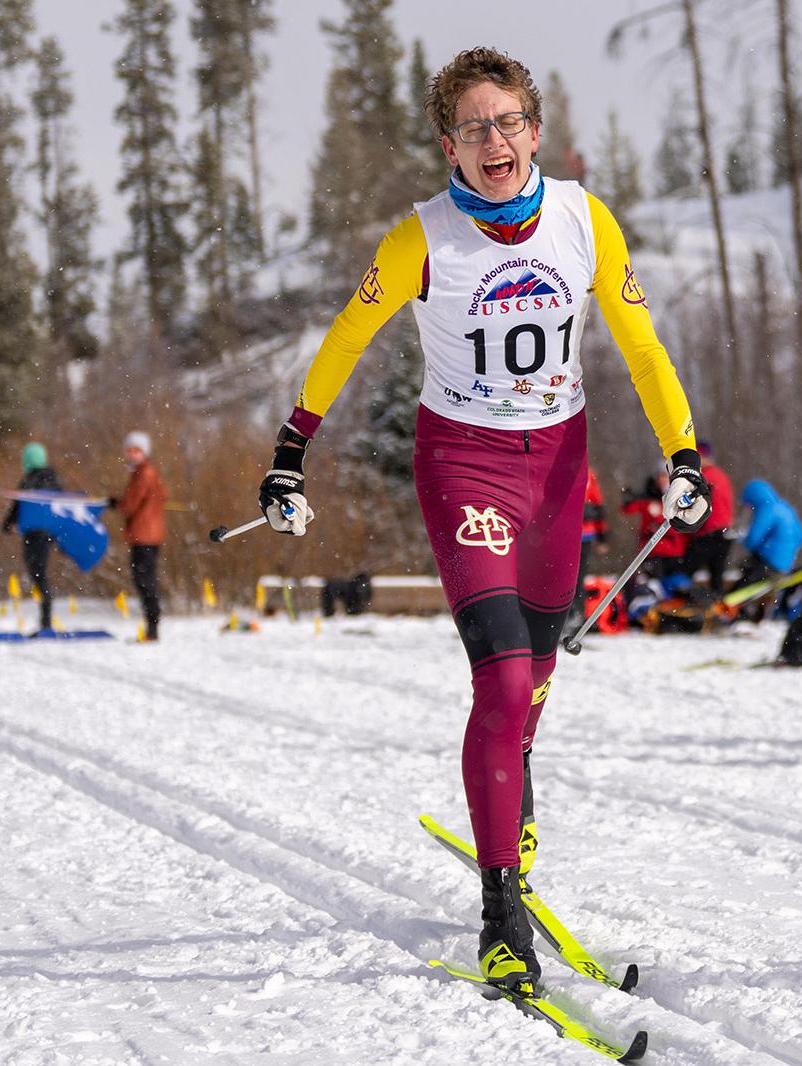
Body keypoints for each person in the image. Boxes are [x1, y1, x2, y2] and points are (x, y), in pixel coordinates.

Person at [253, 46, 710, 990]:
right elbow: (346, 336)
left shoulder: (584, 220)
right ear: (448, 146)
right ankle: (502, 915)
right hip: (464, 464)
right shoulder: (420, 239)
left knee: (537, 673)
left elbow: (641, 343)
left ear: (534, 132)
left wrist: (683, 452)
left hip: (558, 472)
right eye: (472, 128)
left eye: (508, 123)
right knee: (501, 681)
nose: (493, 141)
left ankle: (515, 774)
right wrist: (292, 449)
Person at [110, 431, 167, 642]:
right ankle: (152, 626)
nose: (132, 455)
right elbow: (162, 494)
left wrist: (114, 503)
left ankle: (152, 627)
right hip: (148, 535)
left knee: (144, 580)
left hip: (145, 535)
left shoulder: (144, 473)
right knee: (144, 579)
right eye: (129, 450)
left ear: (144, 452)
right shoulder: (146, 472)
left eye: (136, 450)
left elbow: (130, 504)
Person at [2, 442, 63, 633]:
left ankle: (46, 621)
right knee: (40, 574)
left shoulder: (29, 481)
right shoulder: (54, 481)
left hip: (34, 534)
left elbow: (19, 505)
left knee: (37, 574)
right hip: (47, 534)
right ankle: (46, 619)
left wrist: (7, 524)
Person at [732, 478, 802, 620]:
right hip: (786, 563)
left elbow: (753, 538)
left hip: (768, 562)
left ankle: (738, 615)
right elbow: (801, 535)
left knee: (742, 584)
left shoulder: (767, 508)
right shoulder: (785, 507)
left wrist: (742, 539)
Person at [681, 441, 736, 595]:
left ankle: (678, 605)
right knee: (716, 576)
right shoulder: (721, 475)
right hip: (723, 532)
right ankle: (716, 607)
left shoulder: (704, 476)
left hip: (707, 532)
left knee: (685, 572)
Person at [621, 470, 690, 583]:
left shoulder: (680, 495)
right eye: (660, 476)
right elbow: (629, 509)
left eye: (665, 476)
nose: (662, 480)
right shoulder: (649, 497)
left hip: (674, 550)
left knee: (674, 583)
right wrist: (628, 499)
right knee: (653, 584)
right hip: (652, 549)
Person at [570, 465, 609, 618]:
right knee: (564, 575)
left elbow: (598, 504)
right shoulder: (557, 467)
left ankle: (578, 613)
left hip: (584, 533)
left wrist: (602, 536)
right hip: (563, 532)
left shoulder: (589, 473)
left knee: (579, 575)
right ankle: (567, 613)